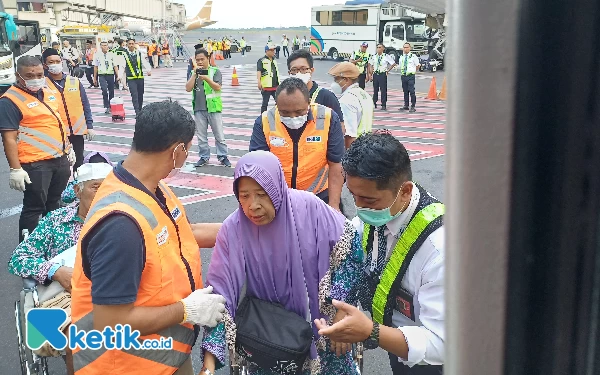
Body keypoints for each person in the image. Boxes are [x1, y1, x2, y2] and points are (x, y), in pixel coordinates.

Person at [70, 100, 227, 374]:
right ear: (178, 151)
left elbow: (184, 236)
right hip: (126, 365)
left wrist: (245, 231)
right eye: (187, 151)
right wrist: (186, 311)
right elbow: (110, 322)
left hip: (165, 354)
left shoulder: (153, 187)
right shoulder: (120, 225)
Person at [200, 151, 364, 374]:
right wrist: (208, 365)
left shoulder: (309, 209)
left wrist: (340, 308)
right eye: (244, 195)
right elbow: (219, 296)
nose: (253, 205)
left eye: (261, 194)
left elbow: (350, 248)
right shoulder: (233, 229)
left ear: (276, 188)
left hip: (323, 331)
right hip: (268, 343)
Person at [315, 132, 445, 375]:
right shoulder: (378, 214)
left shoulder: (439, 249)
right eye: (353, 196)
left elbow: (442, 344)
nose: (360, 208)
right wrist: (342, 306)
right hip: (398, 346)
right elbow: (350, 254)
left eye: (368, 200)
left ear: (405, 191)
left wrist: (370, 331)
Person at [8, 162, 113, 375]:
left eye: (108, 188)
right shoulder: (56, 222)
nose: (103, 193)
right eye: (95, 187)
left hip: (113, 296)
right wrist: (54, 270)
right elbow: (18, 259)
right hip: (70, 298)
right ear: (77, 190)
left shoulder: (120, 220)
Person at [0, 56, 74, 241]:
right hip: (36, 164)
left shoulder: (47, 91)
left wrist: (68, 147)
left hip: (59, 158)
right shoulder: (9, 101)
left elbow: (56, 122)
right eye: (30, 75)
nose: (36, 78)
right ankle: (28, 250)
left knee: (54, 204)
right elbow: (8, 138)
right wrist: (15, 169)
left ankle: (52, 242)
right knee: (34, 207)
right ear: (19, 75)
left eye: (40, 74)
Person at [249, 78, 344, 210]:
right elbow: (258, 167)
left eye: (299, 112)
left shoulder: (327, 118)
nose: (293, 118)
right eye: (285, 113)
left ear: (309, 103)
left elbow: (336, 164)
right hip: (280, 199)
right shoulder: (265, 121)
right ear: (277, 105)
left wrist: (334, 205)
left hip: (320, 197)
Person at [43, 48, 95, 173]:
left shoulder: (74, 81)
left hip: (77, 133)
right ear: (45, 65)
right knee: (62, 166)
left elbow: (85, 104)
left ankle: (78, 189)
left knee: (79, 163)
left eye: (57, 61)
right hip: (57, 134)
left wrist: (90, 126)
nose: (55, 64)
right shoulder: (43, 85)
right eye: (51, 62)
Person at [185, 48, 231, 168]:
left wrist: (206, 78)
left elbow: (217, 87)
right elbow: (188, 88)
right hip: (199, 109)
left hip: (213, 108)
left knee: (219, 135)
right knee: (201, 136)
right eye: (198, 60)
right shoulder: (193, 73)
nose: (200, 62)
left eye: (202, 59)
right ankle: (204, 157)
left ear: (208, 59)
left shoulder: (215, 71)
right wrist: (194, 74)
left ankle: (223, 156)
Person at [287, 49, 344, 125]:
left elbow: (340, 126)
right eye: (294, 70)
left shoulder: (327, 97)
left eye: (303, 69)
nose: (299, 73)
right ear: (289, 73)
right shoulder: (285, 97)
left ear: (312, 70)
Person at [328, 62, 374, 149]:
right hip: (366, 147)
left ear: (346, 80)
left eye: (336, 79)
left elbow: (349, 135)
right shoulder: (364, 94)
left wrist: (349, 158)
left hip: (354, 150)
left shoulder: (347, 100)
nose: (334, 83)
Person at [121, 38, 152, 117]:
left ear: (134, 44)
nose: (131, 45)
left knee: (140, 95)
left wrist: (148, 70)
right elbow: (122, 66)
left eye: (132, 43)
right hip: (131, 79)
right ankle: (137, 112)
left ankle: (140, 110)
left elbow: (144, 62)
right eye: (129, 44)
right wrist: (119, 76)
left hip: (140, 78)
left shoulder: (139, 53)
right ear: (127, 45)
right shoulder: (124, 55)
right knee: (134, 95)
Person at [93, 41, 119, 114]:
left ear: (108, 46)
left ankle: (111, 106)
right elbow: (95, 66)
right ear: (100, 46)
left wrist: (118, 76)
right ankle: (106, 106)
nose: (105, 47)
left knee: (111, 90)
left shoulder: (112, 54)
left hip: (110, 74)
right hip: (102, 75)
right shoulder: (97, 55)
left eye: (106, 45)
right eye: (103, 45)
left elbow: (115, 65)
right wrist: (95, 78)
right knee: (104, 90)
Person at [368, 44, 397, 111]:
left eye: (380, 47)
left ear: (383, 49)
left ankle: (383, 104)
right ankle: (374, 102)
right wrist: (370, 74)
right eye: (377, 47)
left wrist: (388, 70)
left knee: (383, 90)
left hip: (382, 74)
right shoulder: (374, 56)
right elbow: (371, 65)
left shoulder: (386, 56)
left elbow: (393, 63)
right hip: (376, 74)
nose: (378, 49)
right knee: (375, 90)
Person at [257, 43, 280, 114]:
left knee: (279, 102)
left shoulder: (274, 60)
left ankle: (278, 116)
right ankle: (262, 118)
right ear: (266, 51)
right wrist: (259, 82)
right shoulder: (262, 60)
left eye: (274, 50)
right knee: (265, 104)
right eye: (271, 50)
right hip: (266, 86)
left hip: (275, 86)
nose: (273, 52)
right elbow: (259, 71)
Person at [399, 42, 421, 113]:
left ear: (410, 48)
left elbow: (418, 65)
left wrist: (413, 71)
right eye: (404, 47)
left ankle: (413, 106)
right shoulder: (401, 57)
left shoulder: (413, 56)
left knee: (411, 91)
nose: (405, 49)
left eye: (407, 47)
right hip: (403, 75)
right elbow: (400, 65)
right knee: (405, 91)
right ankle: (406, 105)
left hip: (410, 75)